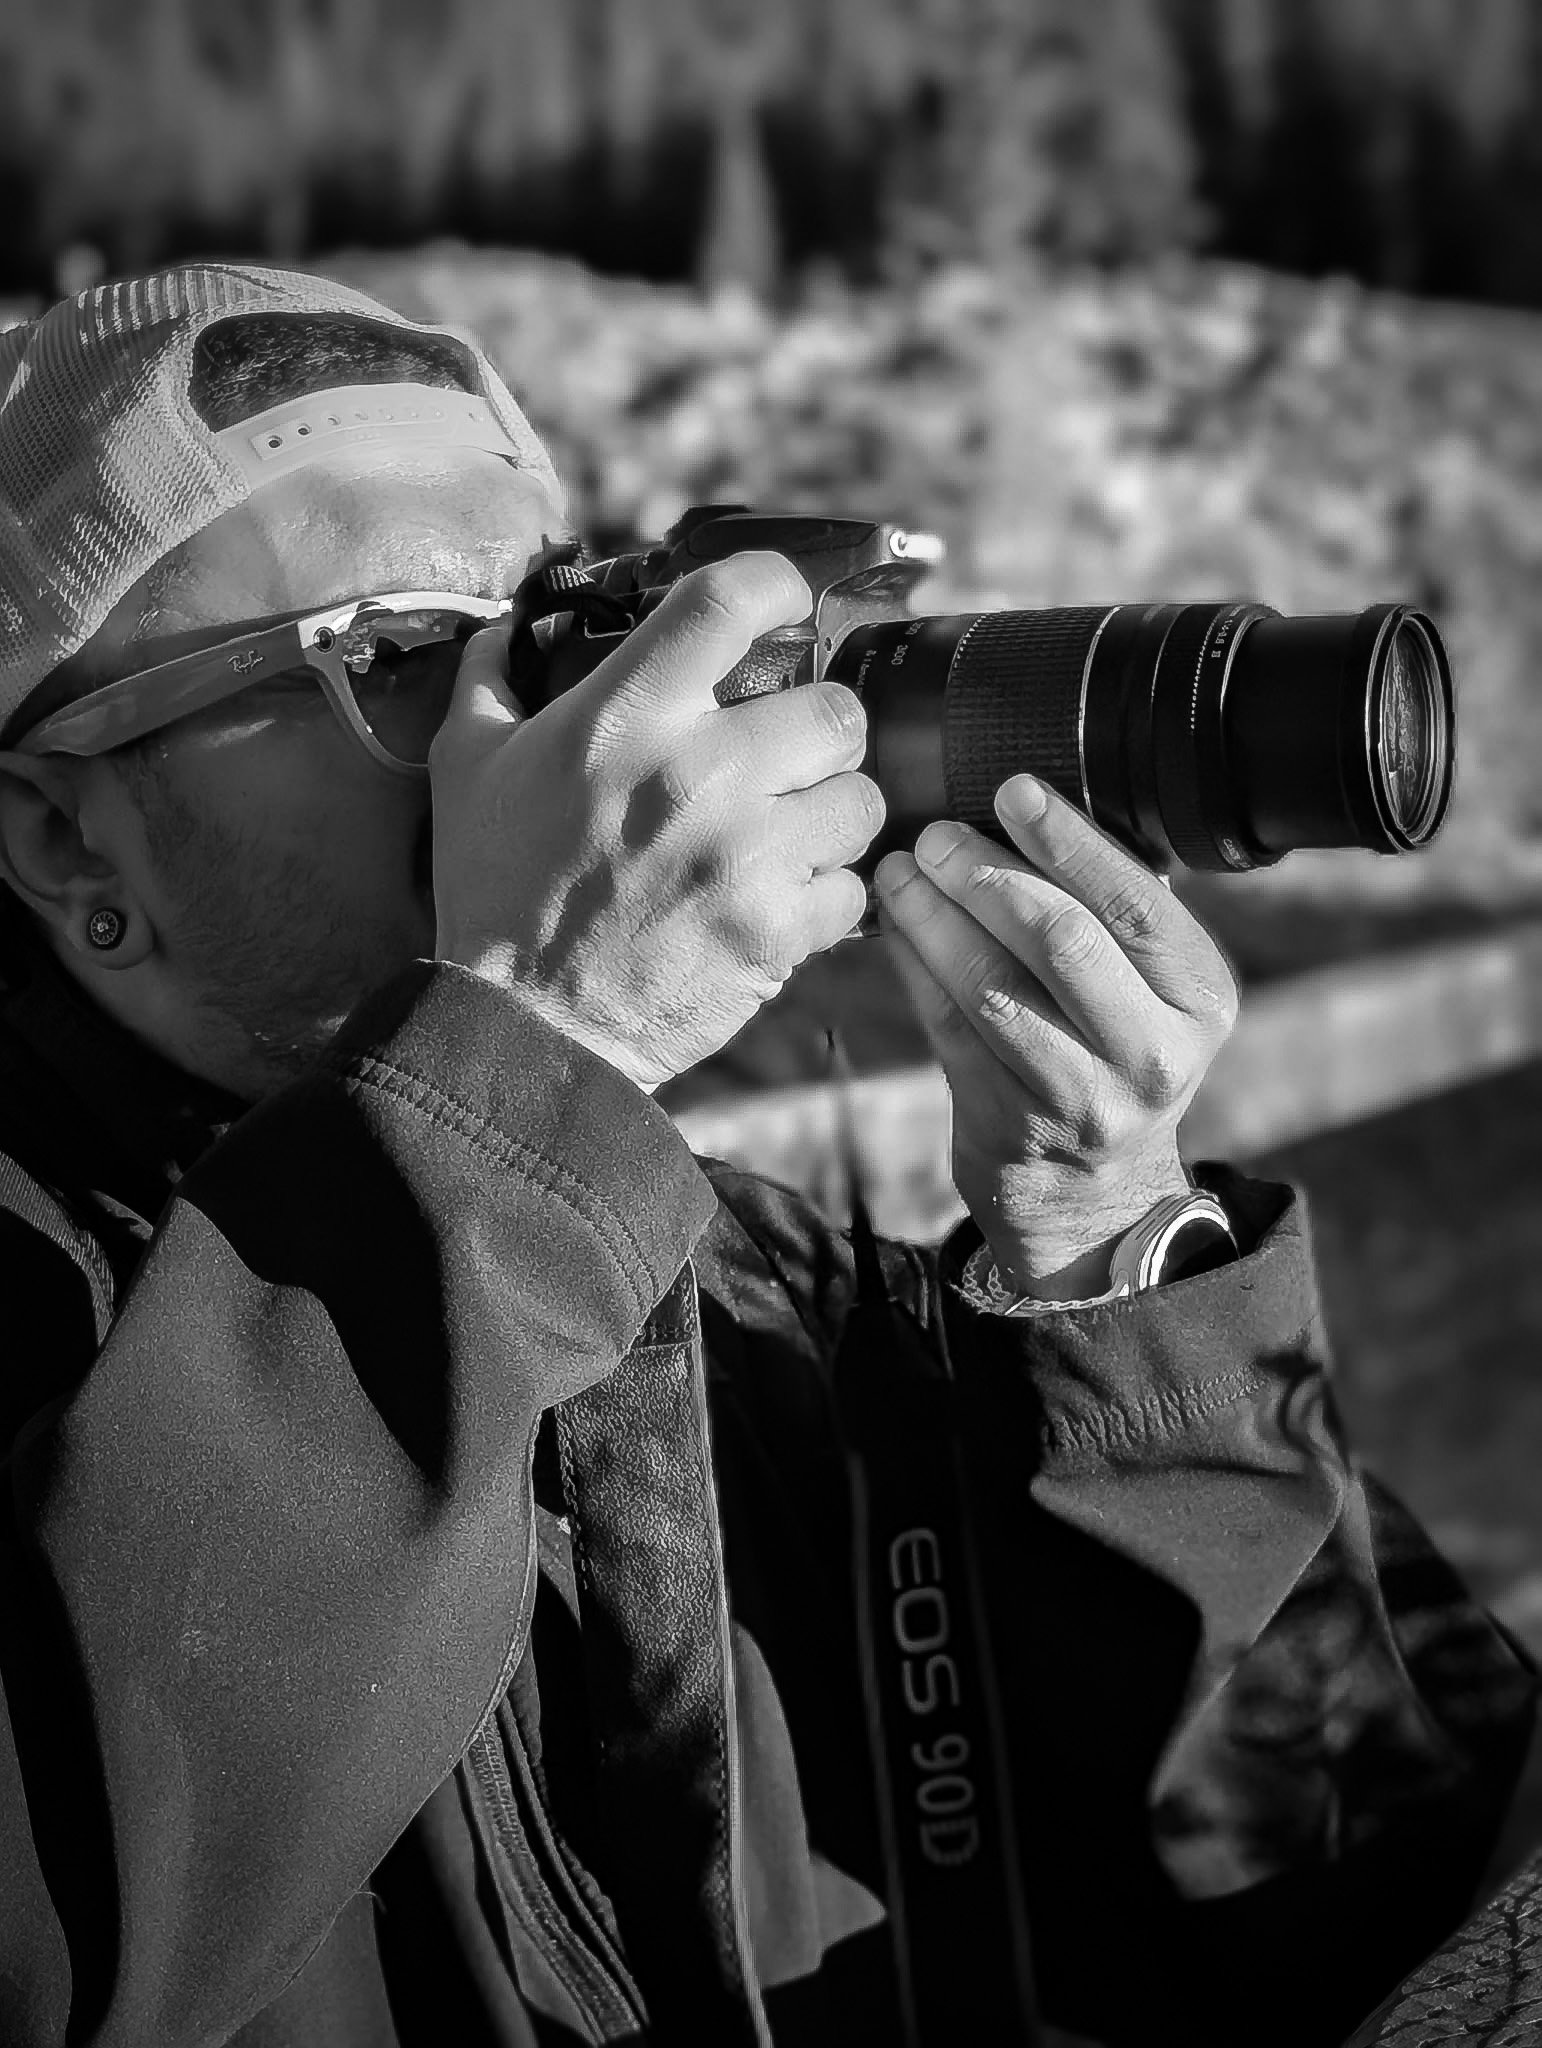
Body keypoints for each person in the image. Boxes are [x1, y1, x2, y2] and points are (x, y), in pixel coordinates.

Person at [0, 263, 1529, 2048]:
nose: (555, 739)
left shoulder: (736, 1289)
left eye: (558, 634)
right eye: (405, 655)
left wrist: (1109, 1269)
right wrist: (536, 1058)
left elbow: (1354, 1895)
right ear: (61, 832)